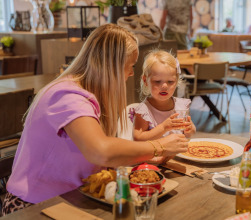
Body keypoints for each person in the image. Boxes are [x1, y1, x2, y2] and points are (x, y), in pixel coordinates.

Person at [1, 24, 189, 216]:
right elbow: (101, 151)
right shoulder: (66, 95)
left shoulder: (89, 94)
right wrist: (159, 145)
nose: (132, 73)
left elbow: (107, 155)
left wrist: (149, 156)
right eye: (130, 66)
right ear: (111, 66)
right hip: (33, 206)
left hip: (71, 198)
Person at [133, 50, 196, 164]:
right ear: (145, 80)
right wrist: (163, 128)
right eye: (157, 81)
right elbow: (138, 138)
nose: (164, 86)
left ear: (176, 81)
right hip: (154, 162)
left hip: (179, 159)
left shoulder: (181, 106)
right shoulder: (144, 111)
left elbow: (187, 134)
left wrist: (190, 130)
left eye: (170, 81)